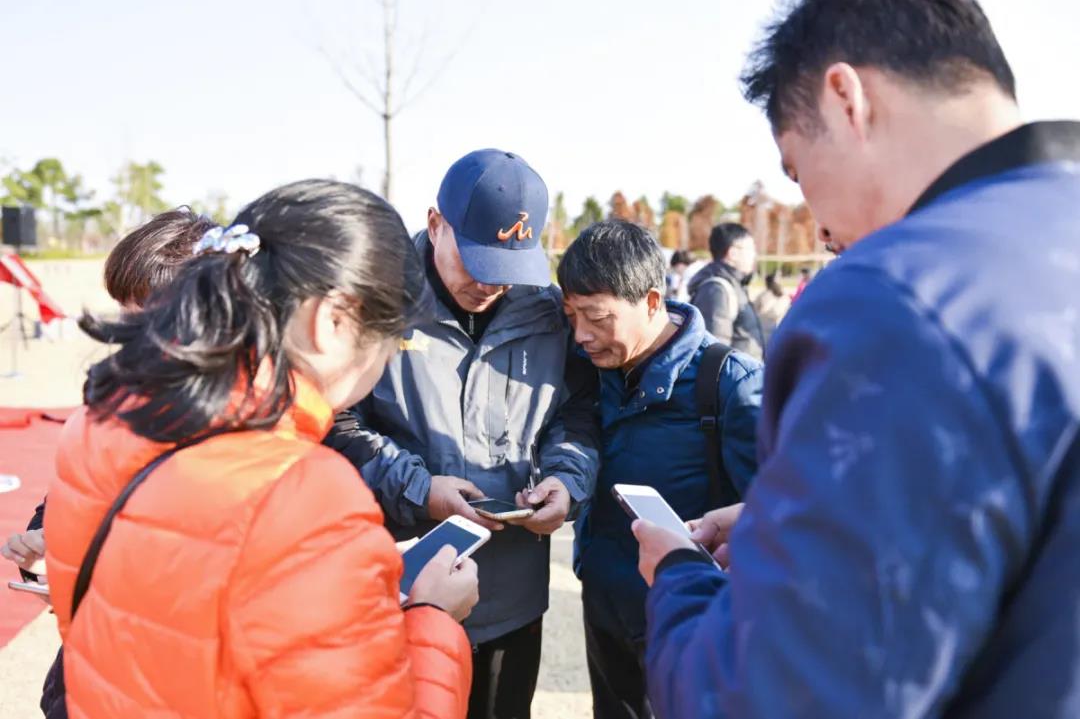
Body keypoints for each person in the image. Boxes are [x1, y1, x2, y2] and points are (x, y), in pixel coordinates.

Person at [633, 0, 1080, 717]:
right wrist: (795, 515)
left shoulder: (897, 300)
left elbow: (773, 696)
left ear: (847, 99)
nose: (817, 220)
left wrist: (681, 578)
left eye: (797, 168)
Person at [44, 181, 478, 718]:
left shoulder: (101, 417)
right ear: (331, 320)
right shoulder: (305, 493)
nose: (386, 360)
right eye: (391, 338)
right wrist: (434, 618)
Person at [326, 149, 600, 719]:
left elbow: (576, 415)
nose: (490, 282)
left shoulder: (549, 316)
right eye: (476, 259)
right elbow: (338, 423)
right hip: (401, 586)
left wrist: (566, 481)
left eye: (508, 266)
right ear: (434, 224)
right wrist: (419, 488)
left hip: (512, 596)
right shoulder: (378, 306)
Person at [3, 208, 220, 719]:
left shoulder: (250, 437)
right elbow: (64, 500)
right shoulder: (113, 403)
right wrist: (44, 545)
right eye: (123, 313)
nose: (126, 333)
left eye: (145, 316)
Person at [559, 220, 763, 719]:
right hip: (604, 608)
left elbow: (781, 512)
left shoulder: (730, 384)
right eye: (571, 316)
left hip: (685, 624)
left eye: (597, 317)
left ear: (652, 302)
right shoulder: (592, 370)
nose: (581, 334)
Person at [687, 223, 766, 359]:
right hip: (734, 378)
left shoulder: (735, 284)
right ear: (733, 253)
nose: (754, 255)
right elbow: (714, 353)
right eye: (751, 249)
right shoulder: (716, 289)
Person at [752, 271, 791, 346]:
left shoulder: (763, 295)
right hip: (778, 330)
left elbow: (754, 310)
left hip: (763, 329)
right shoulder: (785, 297)